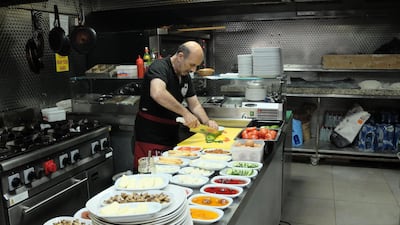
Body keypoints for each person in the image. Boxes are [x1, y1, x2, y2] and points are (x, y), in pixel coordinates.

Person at [133, 41, 218, 171]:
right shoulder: (159, 67)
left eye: (196, 66)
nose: (193, 70)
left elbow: (194, 104)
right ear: (180, 56)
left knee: (169, 173)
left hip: (170, 135)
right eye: (192, 65)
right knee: (149, 175)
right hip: (150, 136)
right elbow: (157, 93)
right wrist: (185, 113)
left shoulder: (184, 75)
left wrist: (207, 122)